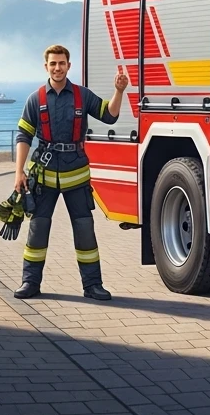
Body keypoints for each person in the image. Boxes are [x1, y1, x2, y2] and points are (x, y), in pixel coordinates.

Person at [13, 45, 129, 301]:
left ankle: (93, 286)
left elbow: (109, 116)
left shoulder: (82, 95)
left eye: (61, 63)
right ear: (46, 67)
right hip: (43, 177)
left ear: (68, 65)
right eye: (53, 63)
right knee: (38, 229)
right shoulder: (36, 99)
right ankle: (30, 283)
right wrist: (19, 172)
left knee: (85, 230)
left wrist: (119, 91)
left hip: (76, 176)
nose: (57, 68)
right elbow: (24, 135)